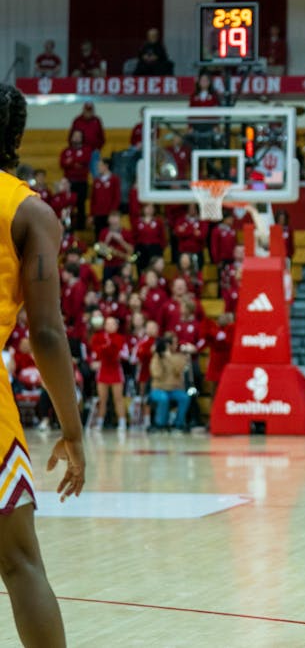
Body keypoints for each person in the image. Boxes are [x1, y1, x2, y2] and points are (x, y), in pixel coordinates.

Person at [0, 83, 85, 647]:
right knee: (20, 562)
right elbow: (48, 335)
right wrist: (72, 432)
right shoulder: (29, 209)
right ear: (18, 136)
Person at [89, 315, 128, 431]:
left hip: (116, 370)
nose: (110, 326)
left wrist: (116, 354)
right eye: (108, 324)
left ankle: (122, 422)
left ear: (116, 326)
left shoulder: (120, 338)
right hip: (103, 370)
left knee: (118, 398)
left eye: (113, 324)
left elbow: (125, 355)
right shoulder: (98, 337)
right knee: (102, 399)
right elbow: (94, 353)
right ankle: (99, 422)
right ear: (104, 325)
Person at [60, 130, 91, 230]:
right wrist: (76, 163)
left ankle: (81, 227)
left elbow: (85, 160)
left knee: (81, 205)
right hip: (69, 182)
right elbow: (62, 163)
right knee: (68, 205)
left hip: (82, 181)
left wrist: (71, 162)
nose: (76, 138)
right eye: (75, 136)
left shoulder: (86, 149)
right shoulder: (66, 151)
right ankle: (69, 227)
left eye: (79, 136)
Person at [68, 101, 105, 178]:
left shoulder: (97, 120)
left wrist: (98, 148)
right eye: (87, 110)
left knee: (96, 174)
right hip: (80, 151)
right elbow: (71, 136)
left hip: (93, 152)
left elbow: (101, 137)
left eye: (90, 110)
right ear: (83, 110)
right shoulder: (77, 121)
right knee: (78, 174)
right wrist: (73, 150)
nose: (88, 112)